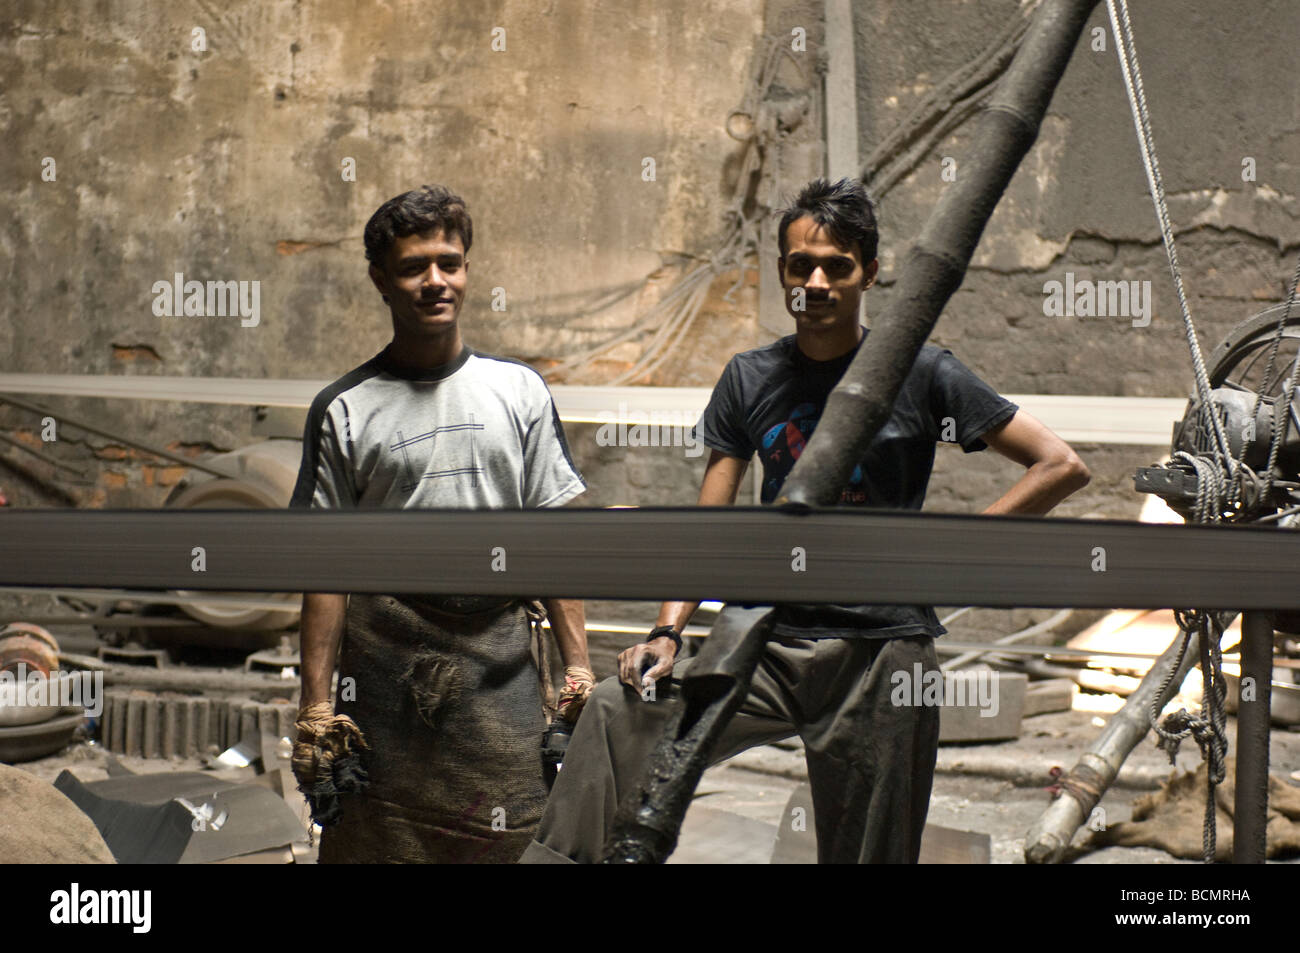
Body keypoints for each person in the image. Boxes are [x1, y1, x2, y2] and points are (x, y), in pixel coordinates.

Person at [520, 177, 1091, 864]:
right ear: (783, 273)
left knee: (871, 848)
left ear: (870, 273)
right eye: (800, 266)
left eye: (837, 267)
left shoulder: (921, 373)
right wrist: (668, 630)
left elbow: (1059, 464)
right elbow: (713, 520)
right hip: (766, 638)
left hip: (882, 653)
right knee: (617, 711)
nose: (816, 282)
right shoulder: (750, 378)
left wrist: (945, 559)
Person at [290, 184, 594, 863]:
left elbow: (551, 537)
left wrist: (577, 667)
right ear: (380, 280)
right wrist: (315, 708)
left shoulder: (517, 392)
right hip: (382, 678)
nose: (436, 281)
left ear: (467, 267)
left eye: (449, 262)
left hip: (499, 671)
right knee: (374, 839)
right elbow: (324, 568)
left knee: (511, 834)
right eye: (413, 266)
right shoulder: (346, 408)